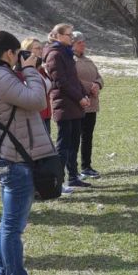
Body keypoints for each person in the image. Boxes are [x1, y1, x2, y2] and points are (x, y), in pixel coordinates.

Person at [0, 30, 54, 275]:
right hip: (13, 160)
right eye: (18, 53)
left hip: (6, 156)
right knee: (12, 227)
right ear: (9, 53)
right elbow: (37, 100)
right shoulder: (0, 77)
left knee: (8, 223)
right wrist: (31, 69)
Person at [43, 24, 91, 194]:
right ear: (57, 35)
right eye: (68, 35)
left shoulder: (67, 53)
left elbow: (74, 79)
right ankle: (58, 182)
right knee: (63, 146)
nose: (72, 37)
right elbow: (60, 82)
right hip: (64, 104)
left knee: (73, 143)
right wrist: (79, 97)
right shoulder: (55, 54)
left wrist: (84, 95)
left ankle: (73, 176)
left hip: (74, 105)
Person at [72, 31, 104, 178]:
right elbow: (70, 81)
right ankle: (73, 170)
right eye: (79, 42)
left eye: (83, 41)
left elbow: (99, 77)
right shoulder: (69, 60)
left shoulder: (88, 60)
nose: (83, 44)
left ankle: (86, 166)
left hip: (91, 105)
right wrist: (90, 86)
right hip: (77, 104)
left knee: (87, 137)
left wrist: (97, 84)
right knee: (74, 138)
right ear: (72, 44)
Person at [21, 37, 53, 134]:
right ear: (27, 51)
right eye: (37, 48)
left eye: (41, 48)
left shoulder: (42, 70)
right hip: (34, 117)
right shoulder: (23, 71)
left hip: (46, 115)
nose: (41, 51)